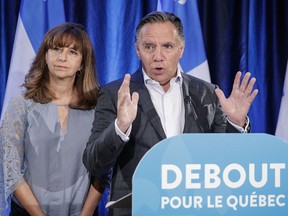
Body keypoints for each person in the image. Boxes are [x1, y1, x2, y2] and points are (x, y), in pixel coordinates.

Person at [83, 11, 258, 216]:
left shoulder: (207, 94)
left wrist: (235, 124)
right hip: (137, 209)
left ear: (181, 49)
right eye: (149, 47)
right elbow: (94, 163)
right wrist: (120, 127)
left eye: (167, 46)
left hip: (195, 208)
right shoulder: (116, 94)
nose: (158, 56)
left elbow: (226, 160)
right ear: (138, 51)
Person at [0, 22, 103, 216]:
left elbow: (103, 170)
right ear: (45, 56)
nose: (62, 57)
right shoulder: (21, 104)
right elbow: (11, 169)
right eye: (56, 49)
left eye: (73, 52)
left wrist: (86, 214)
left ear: (82, 63)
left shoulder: (98, 107)